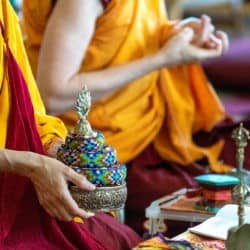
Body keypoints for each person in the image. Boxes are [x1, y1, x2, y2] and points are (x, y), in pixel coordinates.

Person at [22, 0, 231, 232]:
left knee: (234, 169)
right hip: (97, 152)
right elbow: (53, 95)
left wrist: (175, 33)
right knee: (211, 208)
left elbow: (123, 33)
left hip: (148, 126)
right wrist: (163, 58)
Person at [0, 0, 140, 249]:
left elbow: (26, 109)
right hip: (13, 183)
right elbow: (54, 93)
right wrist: (32, 165)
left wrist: (55, 148)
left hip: (22, 175)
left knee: (123, 238)